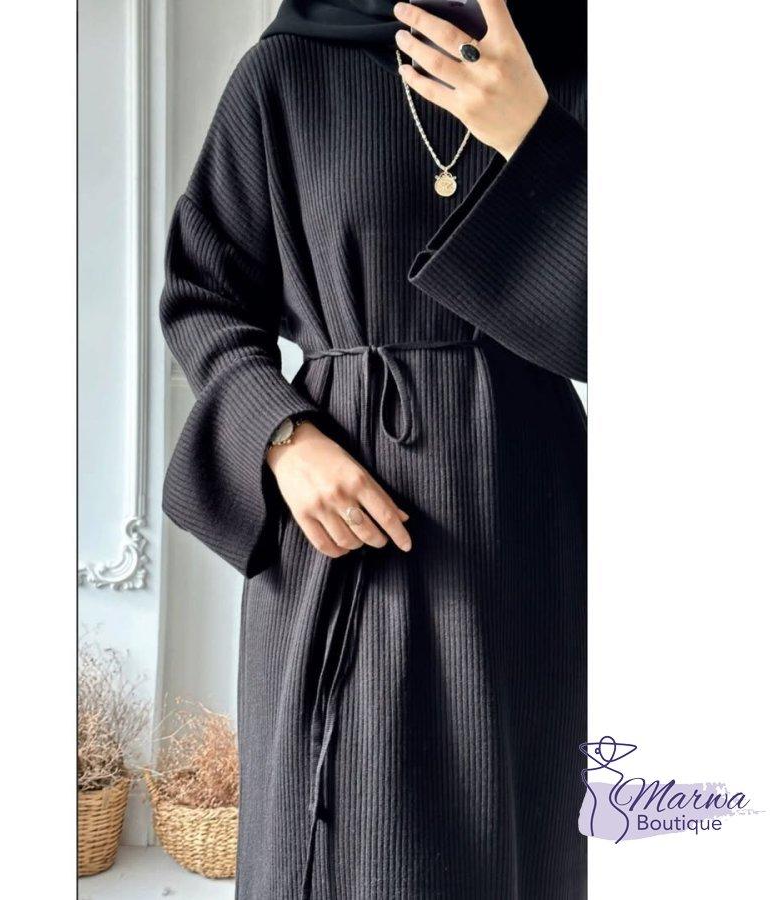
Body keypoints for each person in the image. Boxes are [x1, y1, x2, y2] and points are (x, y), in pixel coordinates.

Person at [160, 1, 587, 897]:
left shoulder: (582, 65)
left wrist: (538, 138)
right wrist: (280, 436)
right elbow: (203, 291)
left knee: (525, 832)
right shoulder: (287, 71)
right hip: (347, 517)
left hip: (528, 517)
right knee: (350, 835)